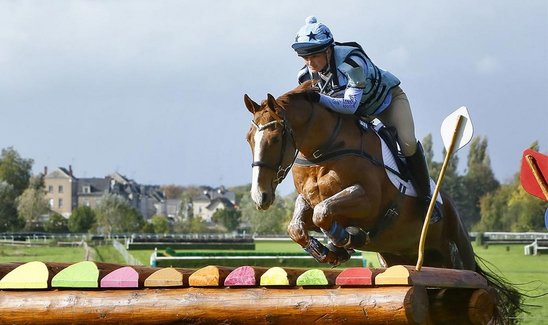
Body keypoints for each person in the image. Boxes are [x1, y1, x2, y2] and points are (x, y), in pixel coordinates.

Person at [291, 16, 441, 222]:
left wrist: (318, 97)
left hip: (387, 102)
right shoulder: (306, 76)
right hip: (360, 114)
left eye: (314, 55)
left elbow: (350, 105)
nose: (310, 63)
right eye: (304, 57)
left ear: (328, 50)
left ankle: (427, 200)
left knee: (406, 142)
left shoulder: (352, 61)